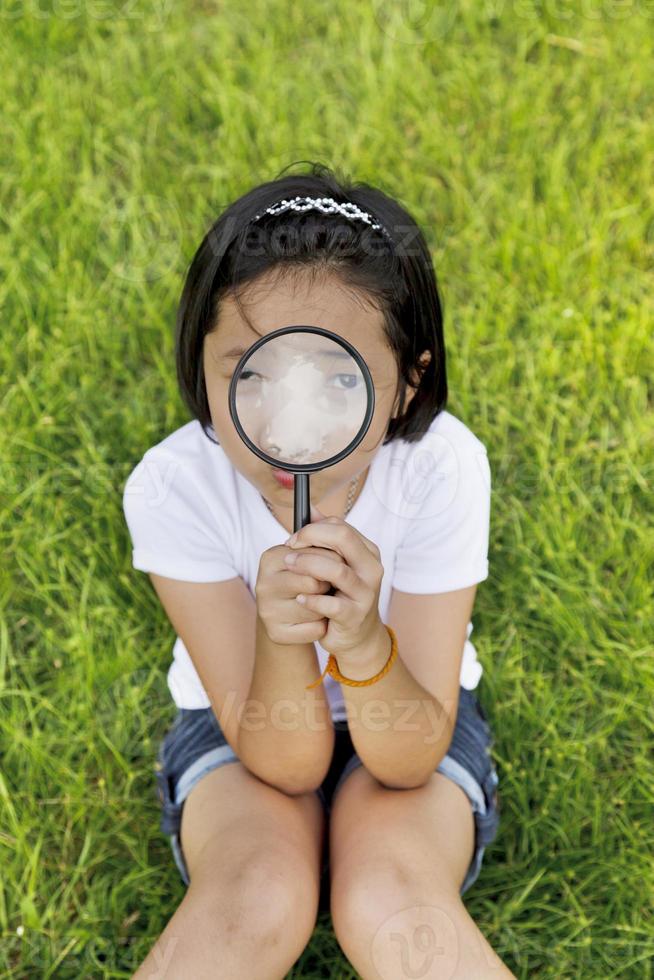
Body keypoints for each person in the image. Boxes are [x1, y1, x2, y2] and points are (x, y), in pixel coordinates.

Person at [123, 162, 515, 978]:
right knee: (255, 895)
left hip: (416, 715)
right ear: (200, 365)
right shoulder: (173, 487)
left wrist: (367, 643)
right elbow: (286, 761)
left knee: (390, 896)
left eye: (339, 379)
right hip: (243, 734)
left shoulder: (442, 467)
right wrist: (282, 631)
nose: (285, 421)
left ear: (409, 382)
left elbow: (409, 758)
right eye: (250, 373)